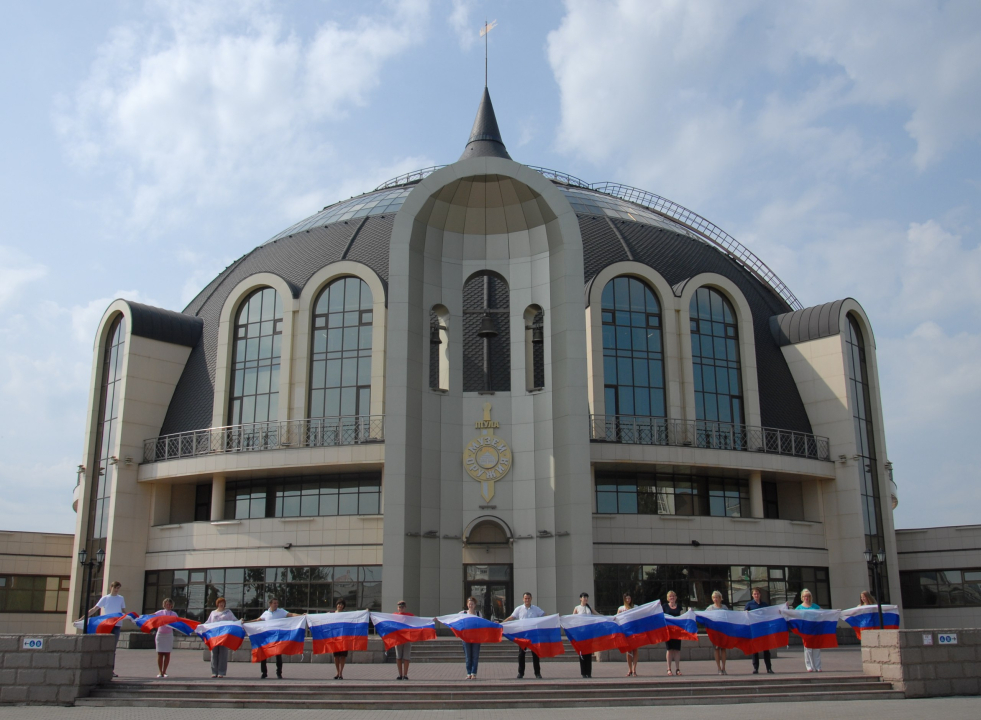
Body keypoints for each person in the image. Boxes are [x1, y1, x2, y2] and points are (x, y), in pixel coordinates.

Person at [247, 597, 302, 679]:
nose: (276, 604)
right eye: (274, 603)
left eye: (277, 603)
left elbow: (290, 614)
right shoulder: (266, 613)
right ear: (270, 604)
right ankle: (264, 673)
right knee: (263, 654)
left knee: (278, 655)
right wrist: (246, 622)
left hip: (277, 637)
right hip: (267, 637)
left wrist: (301, 615)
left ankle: (279, 673)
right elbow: (258, 620)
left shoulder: (281, 611)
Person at [83, 580, 126, 677]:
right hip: (107, 625)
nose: (116, 590)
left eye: (118, 588)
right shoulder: (105, 598)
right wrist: (83, 618)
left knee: (113, 648)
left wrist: (129, 617)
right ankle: (102, 668)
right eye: (115, 588)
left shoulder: (121, 598)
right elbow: (94, 609)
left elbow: (123, 611)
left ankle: (111, 670)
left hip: (117, 624)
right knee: (105, 646)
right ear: (111, 587)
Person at [504, 592, 545, 679]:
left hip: (533, 635)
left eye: (528, 598)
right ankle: (521, 673)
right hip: (523, 635)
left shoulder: (536, 609)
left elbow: (544, 615)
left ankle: (537, 673)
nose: (527, 600)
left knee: (535, 654)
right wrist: (502, 623)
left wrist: (555, 617)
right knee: (521, 654)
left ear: (531, 599)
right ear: (523, 599)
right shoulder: (519, 609)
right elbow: (512, 617)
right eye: (525, 598)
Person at [744, 587, 774, 674]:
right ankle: (755, 668)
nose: (756, 595)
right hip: (754, 630)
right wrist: (746, 613)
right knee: (755, 650)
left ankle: (769, 668)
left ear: (760, 595)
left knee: (766, 650)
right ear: (752, 595)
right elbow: (744, 615)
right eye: (755, 594)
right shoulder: (749, 604)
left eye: (757, 594)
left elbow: (770, 613)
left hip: (764, 630)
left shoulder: (764, 605)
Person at [205, 597, 237, 678]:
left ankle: (221, 672)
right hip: (214, 636)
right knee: (214, 653)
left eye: (223, 603)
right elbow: (208, 622)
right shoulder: (213, 613)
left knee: (223, 654)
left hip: (224, 636)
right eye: (220, 603)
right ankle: (214, 672)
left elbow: (234, 620)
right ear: (217, 604)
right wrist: (201, 626)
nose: (221, 604)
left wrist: (240, 622)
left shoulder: (228, 612)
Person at [796, 589, 822, 672]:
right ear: (802, 597)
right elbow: (793, 615)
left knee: (816, 648)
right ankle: (809, 666)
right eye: (804, 596)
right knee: (808, 649)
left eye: (808, 596)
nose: (806, 598)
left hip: (815, 629)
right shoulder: (799, 608)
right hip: (805, 630)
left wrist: (834, 612)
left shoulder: (815, 606)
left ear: (810, 597)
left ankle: (818, 666)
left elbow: (824, 613)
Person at [152, 598, 177, 677]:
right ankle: (160, 672)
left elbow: (178, 622)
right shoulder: (160, 612)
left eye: (169, 604)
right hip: (160, 634)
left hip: (169, 635)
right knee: (160, 653)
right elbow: (151, 616)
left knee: (167, 653)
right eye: (167, 604)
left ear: (172, 605)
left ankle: (164, 671)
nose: (168, 605)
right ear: (164, 605)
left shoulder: (174, 614)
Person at [707, 590, 729, 675]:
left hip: (723, 631)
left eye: (716, 597)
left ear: (720, 598)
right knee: (716, 649)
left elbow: (729, 616)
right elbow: (704, 616)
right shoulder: (710, 608)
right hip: (715, 631)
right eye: (714, 598)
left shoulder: (724, 607)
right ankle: (719, 668)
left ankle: (724, 668)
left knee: (723, 649)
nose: (715, 599)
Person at [572, 592, 594, 678]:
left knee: (588, 652)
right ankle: (583, 672)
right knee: (582, 652)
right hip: (580, 632)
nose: (585, 599)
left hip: (589, 632)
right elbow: (572, 618)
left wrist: (608, 618)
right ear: (580, 598)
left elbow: (597, 614)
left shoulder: (589, 607)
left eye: (586, 597)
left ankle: (589, 672)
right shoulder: (577, 608)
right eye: (584, 597)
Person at [662, 590, 683, 676]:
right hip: (668, 631)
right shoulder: (665, 607)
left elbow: (682, 617)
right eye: (670, 596)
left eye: (673, 596)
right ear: (668, 598)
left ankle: (677, 669)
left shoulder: (679, 607)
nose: (672, 598)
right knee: (669, 649)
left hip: (677, 631)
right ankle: (669, 669)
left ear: (676, 598)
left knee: (677, 650)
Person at [617, 593, 638, 677]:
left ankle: (634, 669)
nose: (628, 600)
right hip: (626, 631)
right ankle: (629, 669)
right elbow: (617, 619)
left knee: (635, 650)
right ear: (624, 599)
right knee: (628, 650)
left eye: (629, 598)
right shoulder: (621, 608)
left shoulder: (635, 607)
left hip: (634, 631)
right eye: (626, 598)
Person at [462, 596, 482, 680]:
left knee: (475, 656)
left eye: (472, 604)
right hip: (466, 638)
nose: (471, 605)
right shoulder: (463, 613)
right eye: (469, 604)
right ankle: (468, 673)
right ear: (467, 605)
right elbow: (452, 619)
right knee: (468, 656)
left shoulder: (478, 613)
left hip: (476, 638)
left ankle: (473, 673)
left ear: (475, 605)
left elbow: (483, 623)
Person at [331, 598, 351, 679]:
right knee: (336, 656)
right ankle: (337, 672)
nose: (340, 606)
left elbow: (356, 615)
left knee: (343, 656)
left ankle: (341, 673)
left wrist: (365, 611)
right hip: (335, 638)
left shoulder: (346, 614)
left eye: (342, 604)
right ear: (336, 605)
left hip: (344, 638)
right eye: (339, 604)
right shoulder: (332, 614)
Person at [393, 600, 413, 680]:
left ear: (405, 607)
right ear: (397, 608)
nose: (401, 608)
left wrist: (431, 620)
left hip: (407, 639)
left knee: (406, 657)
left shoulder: (409, 616)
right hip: (398, 639)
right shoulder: (394, 615)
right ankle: (400, 674)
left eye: (402, 607)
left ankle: (405, 675)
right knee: (398, 657)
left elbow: (419, 620)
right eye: (400, 607)